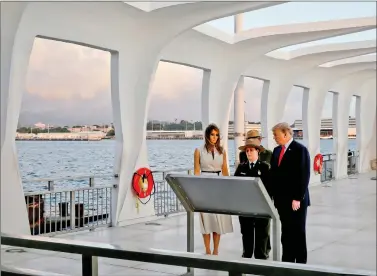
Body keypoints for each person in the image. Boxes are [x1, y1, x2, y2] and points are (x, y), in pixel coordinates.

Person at [269, 122, 311, 264]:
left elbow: (304, 175)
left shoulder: (300, 150)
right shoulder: (276, 151)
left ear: (285, 134)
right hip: (281, 200)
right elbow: (273, 175)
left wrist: (298, 198)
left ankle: (300, 264)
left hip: (296, 200)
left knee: (298, 232)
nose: (274, 137)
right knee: (286, 232)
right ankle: (287, 261)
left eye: (276, 134)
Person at [194, 123, 233, 255]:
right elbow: (196, 172)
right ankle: (207, 249)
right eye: (212, 134)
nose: (215, 137)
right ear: (207, 135)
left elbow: (225, 170)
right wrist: (197, 192)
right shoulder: (198, 151)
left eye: (217, 135)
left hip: (218, 186)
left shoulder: (222, 151)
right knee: (206, 220)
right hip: (204, 187)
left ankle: (216, 250)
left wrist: (229, 187)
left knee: (217, 221)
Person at [234, 139, 272, 259]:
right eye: (247, 151)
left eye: (251, 150)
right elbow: (236, 185)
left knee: (262, 232)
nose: (248, 153)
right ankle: (247, 253)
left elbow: (270, 187)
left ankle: (261, 254)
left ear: (257, 152)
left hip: (261, 205)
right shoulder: (241, 168)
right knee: (246, 231)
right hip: (246, 205)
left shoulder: (265, 167)